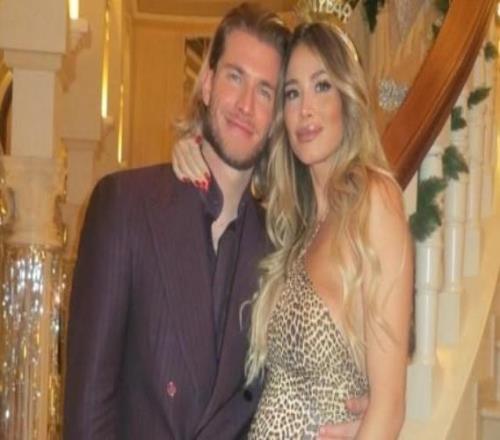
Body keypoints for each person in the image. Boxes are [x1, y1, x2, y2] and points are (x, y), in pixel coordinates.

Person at [64, 3, 362, 439]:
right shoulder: (125, 207)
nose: (245, 105)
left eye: (265, 91)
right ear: (206, 83)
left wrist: (356, 408)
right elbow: (87, 415)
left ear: (277, 119)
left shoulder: (282, 248)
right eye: (235, 77)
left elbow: (297, 379)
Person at [173, 21, 413, 439]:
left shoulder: (374, 202)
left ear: (347, 97)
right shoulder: (293, 226)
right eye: (292, 93)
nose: (305, 110)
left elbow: (389, 408)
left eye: (322, 86)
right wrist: (189, 145)